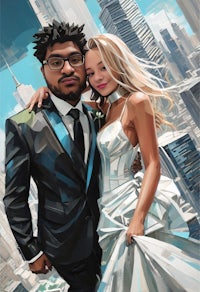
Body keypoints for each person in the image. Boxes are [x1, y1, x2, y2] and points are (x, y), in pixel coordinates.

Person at [28, 32, 200, 291]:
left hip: (130, 208)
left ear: (118, 63)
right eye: (91, 72)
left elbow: (153, 164)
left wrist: (138, 218)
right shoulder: (104, 110)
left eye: (104, 68)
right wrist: (47, 91)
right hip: (106, 211)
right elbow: (72, 92)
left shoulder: (136, 102)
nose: (98, 77)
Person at [3, 20, 103, 292]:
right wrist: (31, 250)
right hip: (66, 246)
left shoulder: (98, 112)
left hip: (114, 227)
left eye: (74, 59)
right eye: (56, 62)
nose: (68, 68)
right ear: (43, 70)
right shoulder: (23, 124)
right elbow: (14, 196)